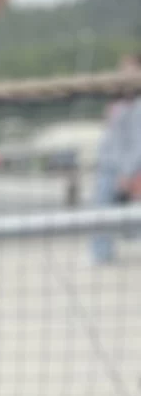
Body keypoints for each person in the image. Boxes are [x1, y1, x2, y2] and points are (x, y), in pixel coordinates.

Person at [91, 52, 141, 264]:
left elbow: (137, 140)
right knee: (102, 211)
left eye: (129, 68)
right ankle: (101, 253)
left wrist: (127, 171)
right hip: (108, 164)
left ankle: (101, 253)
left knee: (107, 212)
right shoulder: (119, 101)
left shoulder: (137, 104)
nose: (123, 73)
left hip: (123, 167)